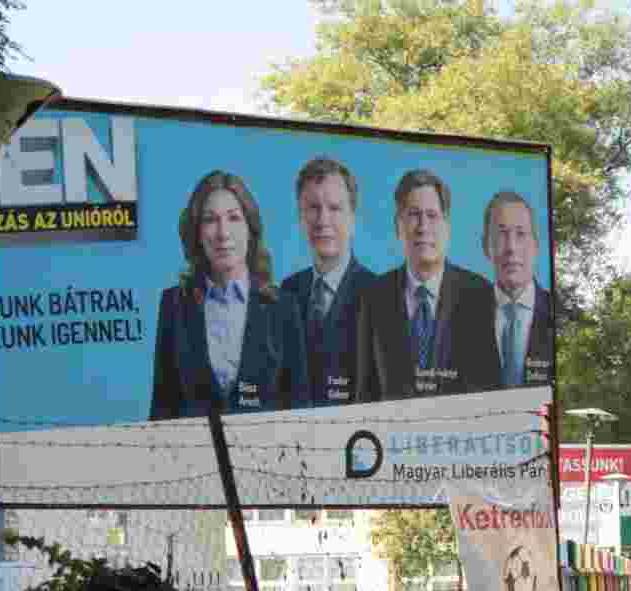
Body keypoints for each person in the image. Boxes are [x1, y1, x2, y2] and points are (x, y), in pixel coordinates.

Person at [149, 170, 310, 420]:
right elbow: (162, 409)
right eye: (210, 220)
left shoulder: (284, 307)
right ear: (197, 233)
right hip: (193, 457)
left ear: (250, 228)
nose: (223, 233)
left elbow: (301, 413)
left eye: (234, 218)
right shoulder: (174, 304)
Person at [355, 169, 499, 402]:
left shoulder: (479, 295)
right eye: (413, 214)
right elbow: (364, 392)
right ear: (398, 225)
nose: (423, 227)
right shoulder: (373, 297)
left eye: (432, 215)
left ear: (446, 226)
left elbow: (490, 391)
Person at [280, 157, 376, 406]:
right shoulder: (286, 292)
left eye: (334, 208)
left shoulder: (381, 296)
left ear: (353, 217)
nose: (323, 221)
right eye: (313, 207)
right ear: (301, 217)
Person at [482, 191, 553, 386]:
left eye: (521, 234)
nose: (511, 247)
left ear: (536, 246)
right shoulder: (461, 316)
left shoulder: (560, 312)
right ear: (486, 247)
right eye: (502, 234)